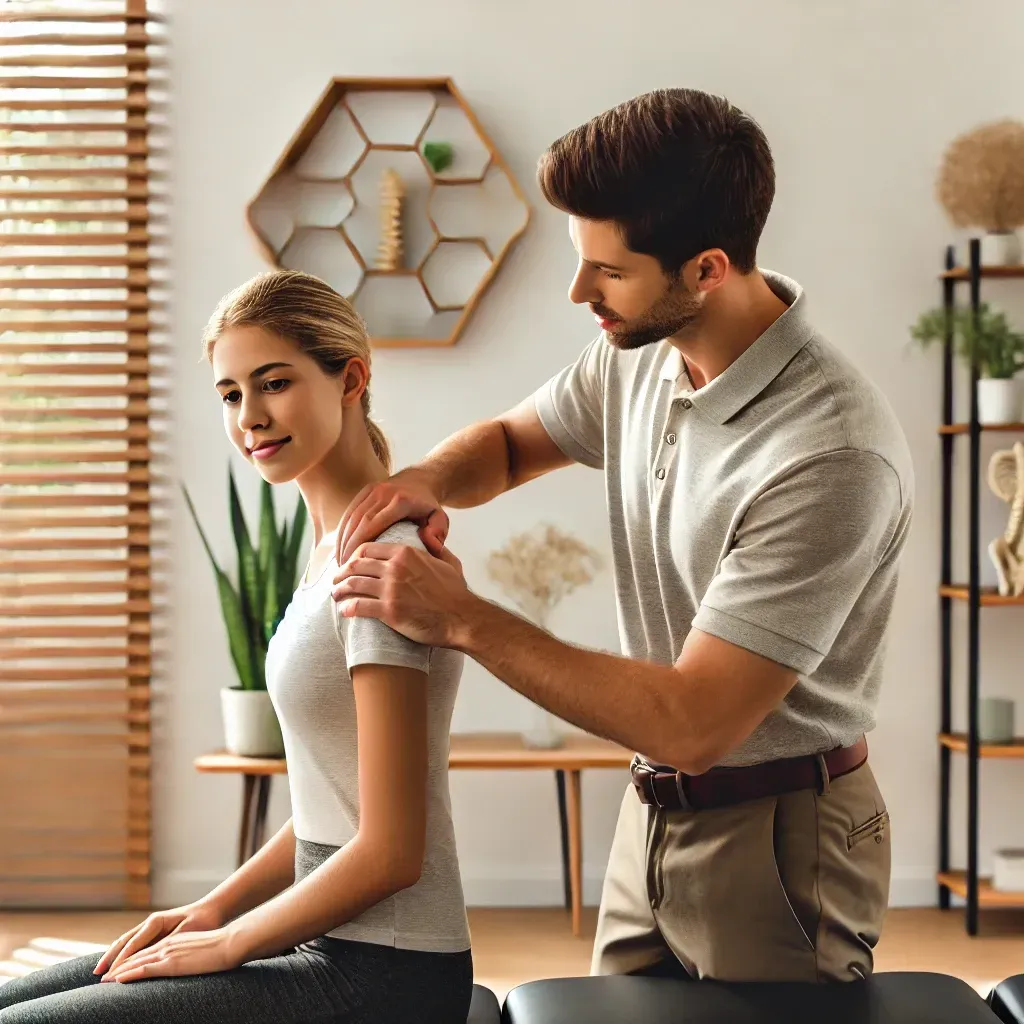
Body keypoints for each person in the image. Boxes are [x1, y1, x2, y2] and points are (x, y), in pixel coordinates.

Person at [329, 87, 914, 984]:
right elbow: (515, 443)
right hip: (653, 815)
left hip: (782, 840)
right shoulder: (641, 352)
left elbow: (695, 722)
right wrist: (426, 478)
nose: (578, 292)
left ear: (707, 268)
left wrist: (465, 619)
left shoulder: (828, 452)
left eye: (608, 271)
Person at [0, 271, 473, 1024]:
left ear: (350, 378)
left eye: (274, 383)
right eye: (229, 395)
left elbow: (390, 851)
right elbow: (334, 806)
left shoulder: (386, 564)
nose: (250, 416)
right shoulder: (330, 550)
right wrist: (209, 910)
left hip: (386, 974)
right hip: (330, 947)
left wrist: (232, 943)